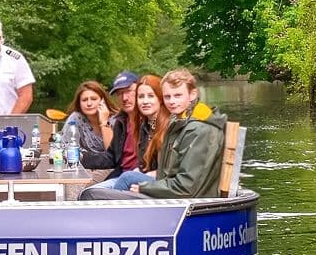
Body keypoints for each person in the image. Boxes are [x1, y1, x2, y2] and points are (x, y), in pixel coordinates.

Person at [82, 69, 227, 199]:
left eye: (178, 95)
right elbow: (169, 172)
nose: (172, 101)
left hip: (184, 202)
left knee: (93, 195)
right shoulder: (179, 122)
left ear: (193, 94)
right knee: (94, 192)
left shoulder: (198, 129)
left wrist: (145, 187)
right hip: (170, 191)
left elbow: (187, 187)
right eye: (168, 96)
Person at [76, 71, 141, 189]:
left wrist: (104, 122)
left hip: (138, 177)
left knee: (90, 193)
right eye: (120, 94)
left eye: (128, 91)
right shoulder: (122, 121)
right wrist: (79, 157)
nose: (125, 98)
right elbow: (112, 157)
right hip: (120, 173)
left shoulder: (149, 120)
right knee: (86, 191)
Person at [110, 75, 171, 191]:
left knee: (126, 178)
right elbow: (144, 165)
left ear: (160, 98)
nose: (145, 101)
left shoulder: (169, 125)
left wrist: (148, 177)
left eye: (151, 96)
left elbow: (171, 170)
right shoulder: (145, 125)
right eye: (141, 97)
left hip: (166, 182)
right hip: (148, 176)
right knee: (94, 191)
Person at [60, 80, 119, 183]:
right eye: (84, 100)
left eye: (94, 99)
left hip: (110, 167)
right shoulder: (75, 118)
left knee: (86, 184)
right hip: (83, 165)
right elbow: (65, 148)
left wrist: (104, 122)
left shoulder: (116, 119)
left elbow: (112, 153)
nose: (89, 103)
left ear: (102, 101)